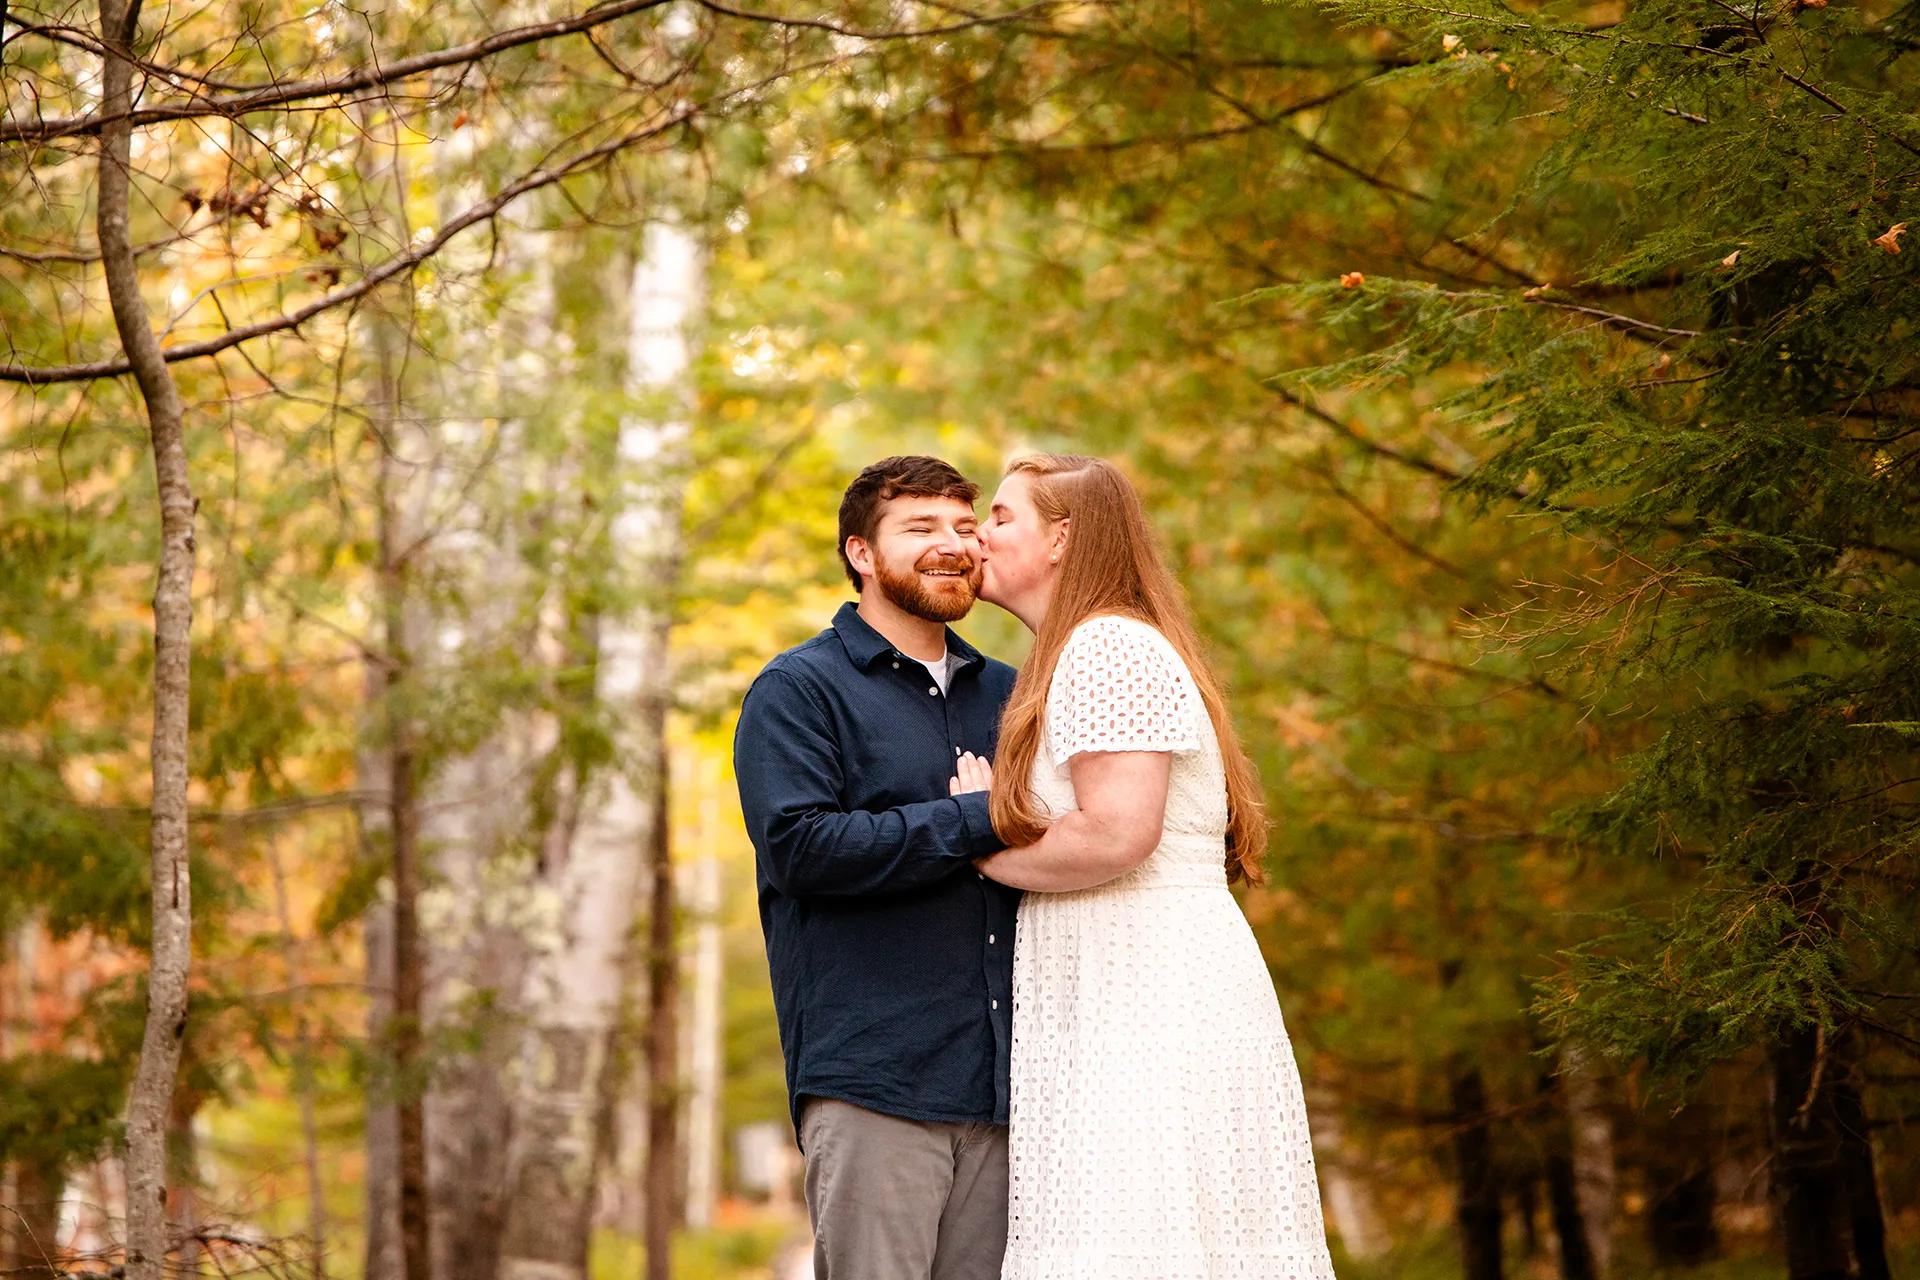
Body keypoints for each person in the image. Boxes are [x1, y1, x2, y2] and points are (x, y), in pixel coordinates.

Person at [951, 452, 1339, 1279]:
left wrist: (980, 844)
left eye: (1001, 517)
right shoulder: (1087, 650)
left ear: (1062, 539)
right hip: (1125, 979)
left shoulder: (1106, 648)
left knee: (1137, 1233)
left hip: (1145, 985)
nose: (978, 536)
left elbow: (1118, 832)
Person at [733, 455, 1019, 1280]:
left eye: (967, 527)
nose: (953, 545)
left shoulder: (1011, 693)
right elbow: (802, 850)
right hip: (876, 1080)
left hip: (1009, 1088)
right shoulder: (798, 691)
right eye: (921, 528)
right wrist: (980, 816)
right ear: (861, 552)